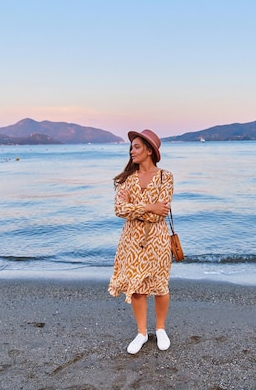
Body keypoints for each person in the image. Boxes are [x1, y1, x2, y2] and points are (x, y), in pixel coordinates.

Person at [108, 129, 174, 354]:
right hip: (132, 241)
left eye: (136, 147)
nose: (131, 151)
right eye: (131, 147)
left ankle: (161, 329)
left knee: (160, 286)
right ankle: (141, 333)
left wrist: (138, 209)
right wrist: (148, 206)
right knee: (136, 287)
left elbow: (161, 213)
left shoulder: (166, 176)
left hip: (158, 239)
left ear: (149, 150)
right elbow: (119, 209)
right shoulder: (127, 180)